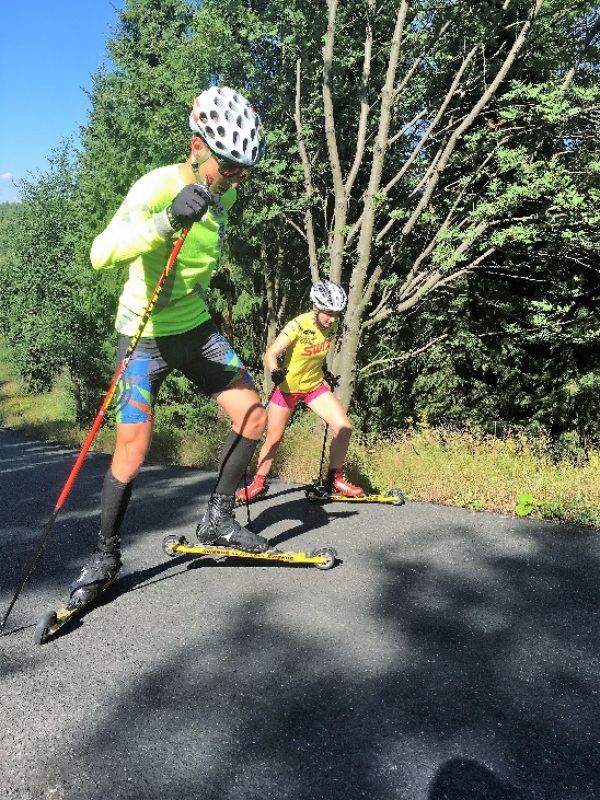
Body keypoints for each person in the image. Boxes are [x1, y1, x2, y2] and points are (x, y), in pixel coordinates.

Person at [68, 86, 272, 611]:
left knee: (254, 414)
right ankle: (105, 556)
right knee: (133, 450)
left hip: (195, 329)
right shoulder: (156, 187)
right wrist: (163, 222)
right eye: (230, 168)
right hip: (145, 335)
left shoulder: (225, 193)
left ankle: (217, 520)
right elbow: (100, 253)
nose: (235, 180)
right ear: (197, 146)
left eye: (243, 172)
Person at [236, 279, 365, 503]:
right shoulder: (298, 325)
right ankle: (257, 483)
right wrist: (274, 371)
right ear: (315, 307)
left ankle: (334, 480)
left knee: (344, 428)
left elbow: (317, 354)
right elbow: (270, 354)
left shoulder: (332, 327)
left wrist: (324, 371)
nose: (332, 319)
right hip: (288, 389)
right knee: (274, 439)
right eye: (328, 313)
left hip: (313, 387)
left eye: (336, 313)